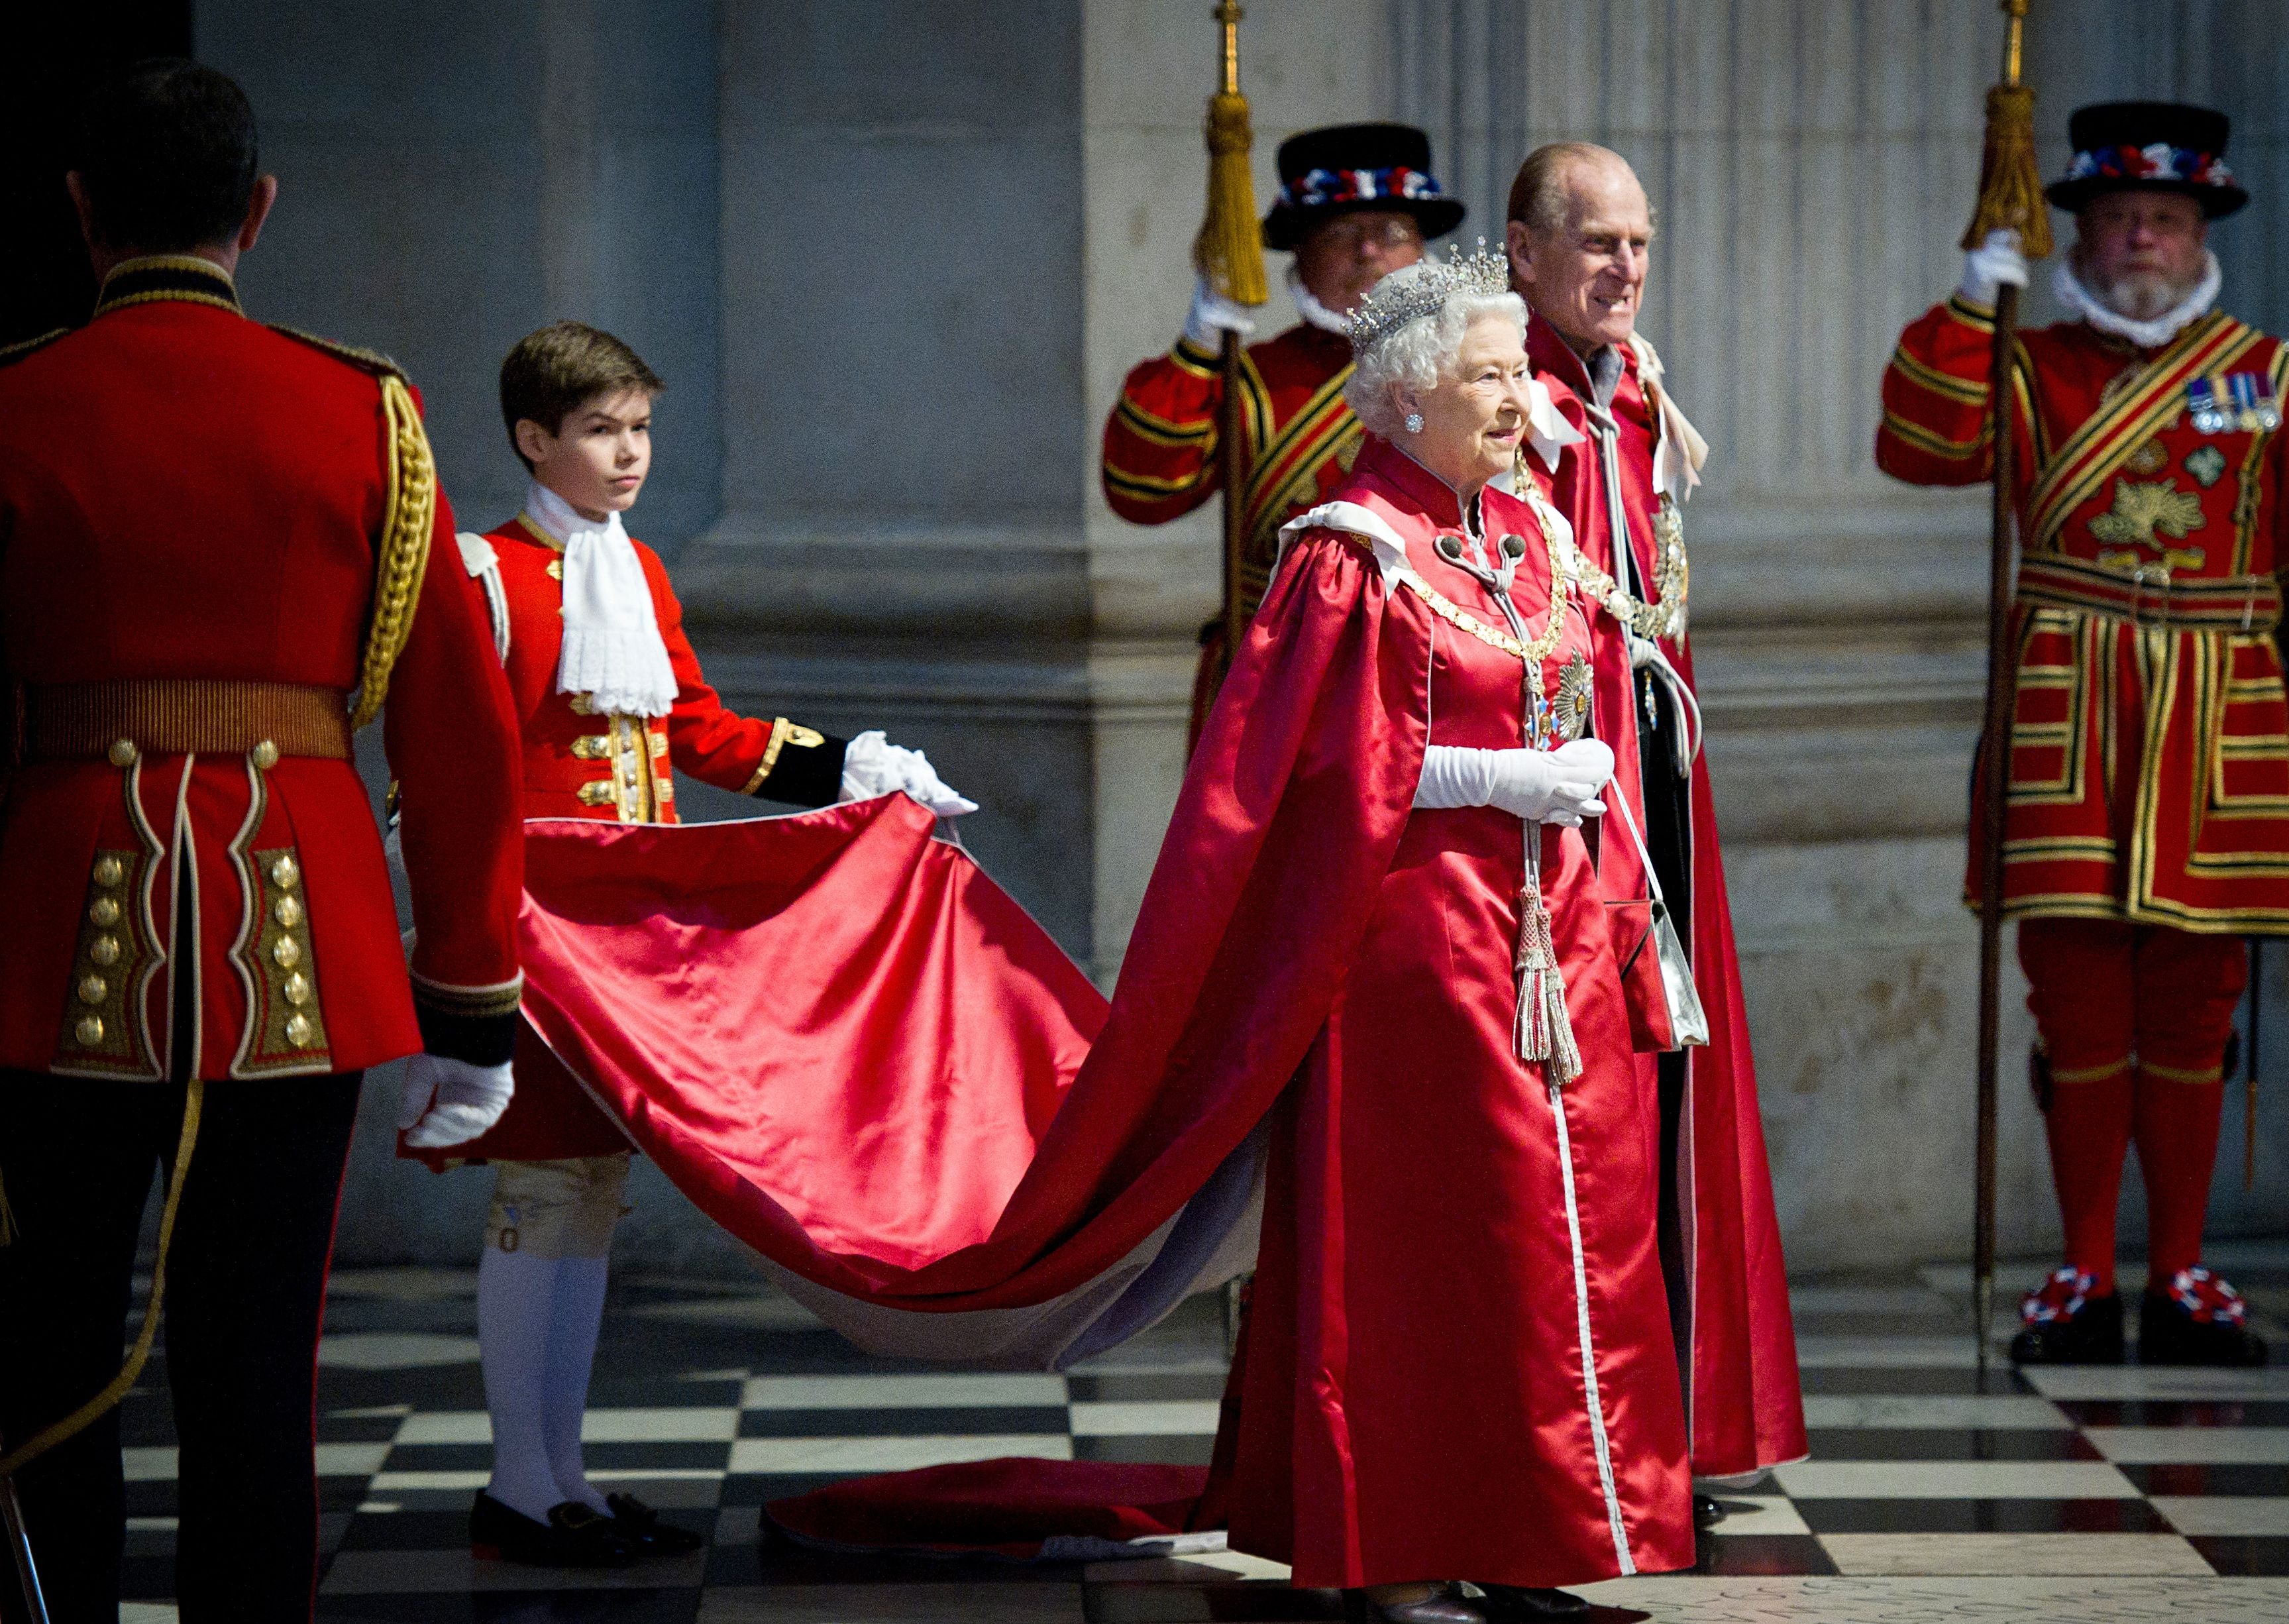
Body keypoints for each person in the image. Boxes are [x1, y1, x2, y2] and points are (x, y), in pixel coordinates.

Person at [0, 60, 527, 1623]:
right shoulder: (368, 410)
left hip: (44, 930)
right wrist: (471, 997)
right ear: (259, 210)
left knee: (44, 1350)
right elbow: (457, 727)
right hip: (291, 936)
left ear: (81, 211)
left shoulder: (15, 396)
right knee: (252, 1368)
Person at [413, 321, 976, 1566]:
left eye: (642, 428)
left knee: (592, 1195)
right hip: (537, 937)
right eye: (604, 431)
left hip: (634, 947)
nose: (631, 454)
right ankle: (518, 1479)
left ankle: (561, 1474)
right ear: (534, 439)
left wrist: (852, 763)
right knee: (543, 1188)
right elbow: (454, 766)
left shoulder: (641, 572)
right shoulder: (484, 576)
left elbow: (703, 734)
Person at [1218, 246, 1690, 1621]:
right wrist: (1484, 777)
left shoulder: (1528, 534)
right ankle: (1397, 1542)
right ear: (1408, 394)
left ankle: (1531, 1529)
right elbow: (1303, 761)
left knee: (1560, 1239)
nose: (1512, 398)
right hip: (1415, 948)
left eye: (1513, 374)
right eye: (1487, 375)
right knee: (1435, 1243)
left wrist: (1590, 786)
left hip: (1552, 932)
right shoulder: (1344, 553)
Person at [1878, 101, 2280, 1367]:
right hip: (2068, 702)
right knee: (2079, 999)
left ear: (2201, 231)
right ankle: (2084, 1268)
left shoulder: (2269, 378)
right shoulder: (2024, 360)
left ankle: (2184, 1272)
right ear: (2081, 238)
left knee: (2195, 1002)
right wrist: (1961, 306)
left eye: (2163, 219)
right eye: (2114, 220)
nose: (2139, 241)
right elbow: (1918, 447)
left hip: (2221, 712)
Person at [1504, 143, 1806, 1499]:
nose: (1623, 267)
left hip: (1655, 767)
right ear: (1522, 252)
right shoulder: (1497, 393)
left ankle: (1675, 1402)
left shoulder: (1633, 392)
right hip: (1557, 789)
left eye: (1638, 242)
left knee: (1678, 1076)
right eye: (1594, 242)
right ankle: (1590, 1422)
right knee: (1597, 1095)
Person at [1100, 122, 1462, 741]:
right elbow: (1142, 492)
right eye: (1341, 235)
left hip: (1440, 676)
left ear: (1423, 251)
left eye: (1391, 232)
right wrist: (1199, 346)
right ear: (1300, 255)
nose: (1369, 253)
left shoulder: (1481, 371)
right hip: (1279, 692)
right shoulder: (1252, 377)